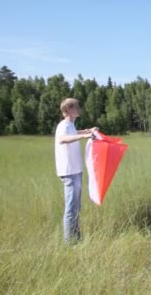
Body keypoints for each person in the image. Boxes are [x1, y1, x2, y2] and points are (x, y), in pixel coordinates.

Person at [54, 98, 97, 243]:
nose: (78, 108)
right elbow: (62, 139)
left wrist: (88, 130)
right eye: (75, 106)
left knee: (76, 207)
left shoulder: (70, 125)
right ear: (68, 109)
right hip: (69, 172)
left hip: (76, 171)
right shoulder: (63, 125)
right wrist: (85, 136)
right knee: (71, 209)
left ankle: (76, 238)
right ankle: (69, 243)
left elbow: (73, 132)